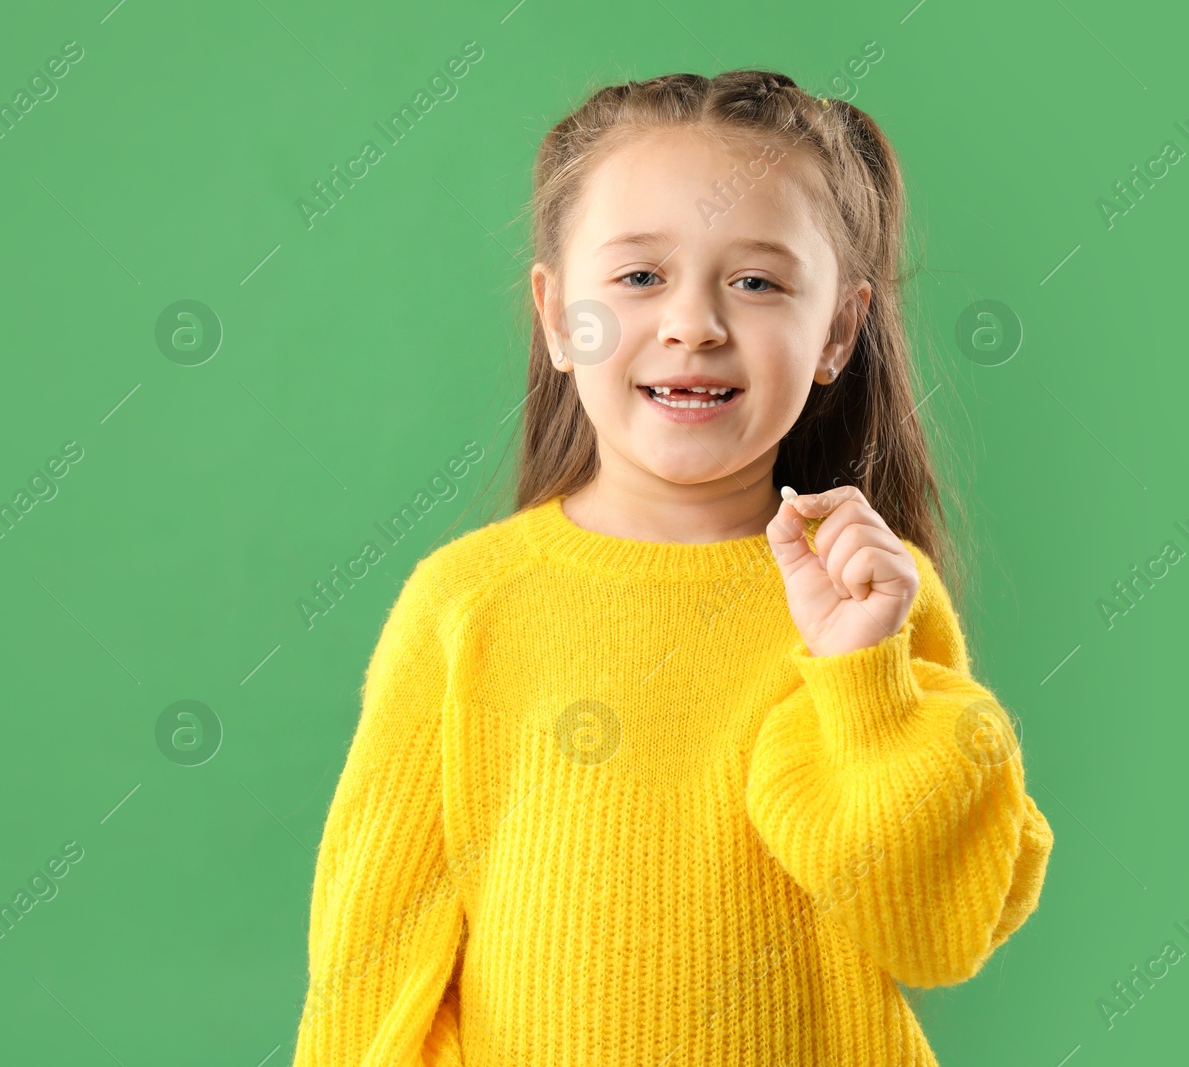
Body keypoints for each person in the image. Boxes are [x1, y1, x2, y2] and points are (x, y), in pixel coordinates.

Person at [290, 69, 1054, 1066]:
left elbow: (936, 931)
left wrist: (862, 678)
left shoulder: (876, 591)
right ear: (559, 317)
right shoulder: (463, 604)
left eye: (757, 280)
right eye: (640, 276)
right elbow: (372, 966)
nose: (694, 323)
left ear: (837, 330)